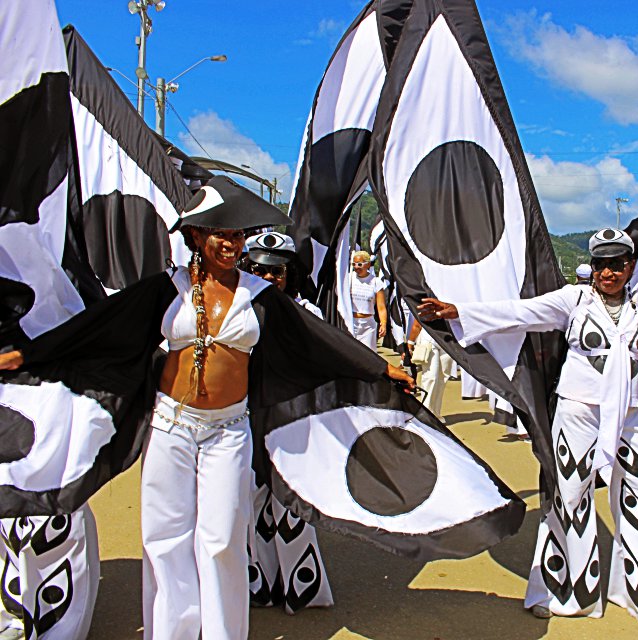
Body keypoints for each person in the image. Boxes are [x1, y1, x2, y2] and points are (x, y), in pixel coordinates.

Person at [0, 177, 414, 640]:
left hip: (229, 431)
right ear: (197, 236)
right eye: (222, 234)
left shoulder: (261, 297)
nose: (232, 244)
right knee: (165, 538)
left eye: (238, 236)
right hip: (169, 426)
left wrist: (379, 370)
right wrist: (29, 356)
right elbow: (98, 328)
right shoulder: (163, 291)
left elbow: (320, 342)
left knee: (222, 540)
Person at [418, 228, 638, 622]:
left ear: (630, 266)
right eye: (602, 265)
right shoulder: (574, 301)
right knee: (569, 498)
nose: (609, 273)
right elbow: (519, 312)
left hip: (629, 416)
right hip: (578, 415)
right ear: (594, 267)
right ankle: (565, 593)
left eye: (617, 264)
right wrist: (459, 312)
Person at [240, 232, 332, 613]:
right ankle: (255, 584)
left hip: (293, 421)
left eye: (276, 271)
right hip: (242, 420)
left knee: (292, 501)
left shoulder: (309, 314)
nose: (268, 278)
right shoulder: (234, 310)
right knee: (249, 501)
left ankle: (301, 587)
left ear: (288, 274)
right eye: (259, 270)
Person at [408, 318, 455, 420]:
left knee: (443, 378)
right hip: (428, 339)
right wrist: (410, 343)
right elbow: (417, 323)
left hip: (448, 340)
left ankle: (435, 413)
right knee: (431, 377)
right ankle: (426, 414)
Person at [349, 251, 388, 350]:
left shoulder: (376, 282)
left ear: (368, 264)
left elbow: (381, 307)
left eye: (360, 264)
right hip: (351, 323)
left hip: (368, 326)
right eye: (354, 264)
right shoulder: (349, 278)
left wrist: (383, 324)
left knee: (368, 354)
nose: (357, 267)